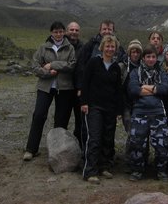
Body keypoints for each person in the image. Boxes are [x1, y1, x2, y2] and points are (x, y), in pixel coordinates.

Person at [23, 21, 76, 161]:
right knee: (39, 115)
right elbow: (34, 66)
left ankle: (58, 152)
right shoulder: (44, 47)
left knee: (61, 119)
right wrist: (47, 73)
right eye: (55, 32)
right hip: (45, 87)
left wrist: (52, 65)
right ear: (51, 33)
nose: (58, 34)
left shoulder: (69, 48)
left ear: (64, 32)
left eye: (60, 31)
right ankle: (31, 149)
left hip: (64, 88)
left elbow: (72, 65)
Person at [80, 35, 123, 184]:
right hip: (94, 107)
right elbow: (85, 83)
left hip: (110, 108)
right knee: (95, 138)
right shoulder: (94, 62)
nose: (110, 49)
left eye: (113, 47)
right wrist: (84, 102)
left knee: (108, 138)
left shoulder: (116, 67)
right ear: (102, 47)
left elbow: (118, 90)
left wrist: (118, 110)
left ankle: (104, 166)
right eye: (107, 46)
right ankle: (90, 170)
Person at [128, 44, 168, 181]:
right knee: (137, 144)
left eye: (153, 57)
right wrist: (154, 89)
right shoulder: (135, 72)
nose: (151, 59)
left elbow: (165, 89)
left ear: (156, 58)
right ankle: (137, 171)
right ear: (143, 58)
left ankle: (161, 171)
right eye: (148, 57)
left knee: (161, 144)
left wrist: (144, 87)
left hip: (158, 113)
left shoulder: (161, 72)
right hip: (139, 113)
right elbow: (134, 90)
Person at [119, 39, 143, 163]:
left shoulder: (142, 67)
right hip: (125, 103)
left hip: (139, 103)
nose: (135, 54)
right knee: (131, 130)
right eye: (133, 52)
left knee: (138, 131)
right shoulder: (122, 66)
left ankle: (136, 158)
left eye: (137, 52)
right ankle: (130, 158)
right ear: (129, 52)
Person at [65, 21, 83, 142]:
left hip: (78, 89)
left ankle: (79, 145)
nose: (74, 32)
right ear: (67, 31)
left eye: (76, 30)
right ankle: (59, 146)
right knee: (62, 119)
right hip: (64, 88)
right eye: (72, 30)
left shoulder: (83, 47)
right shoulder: (61, 45)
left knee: (80, 119)